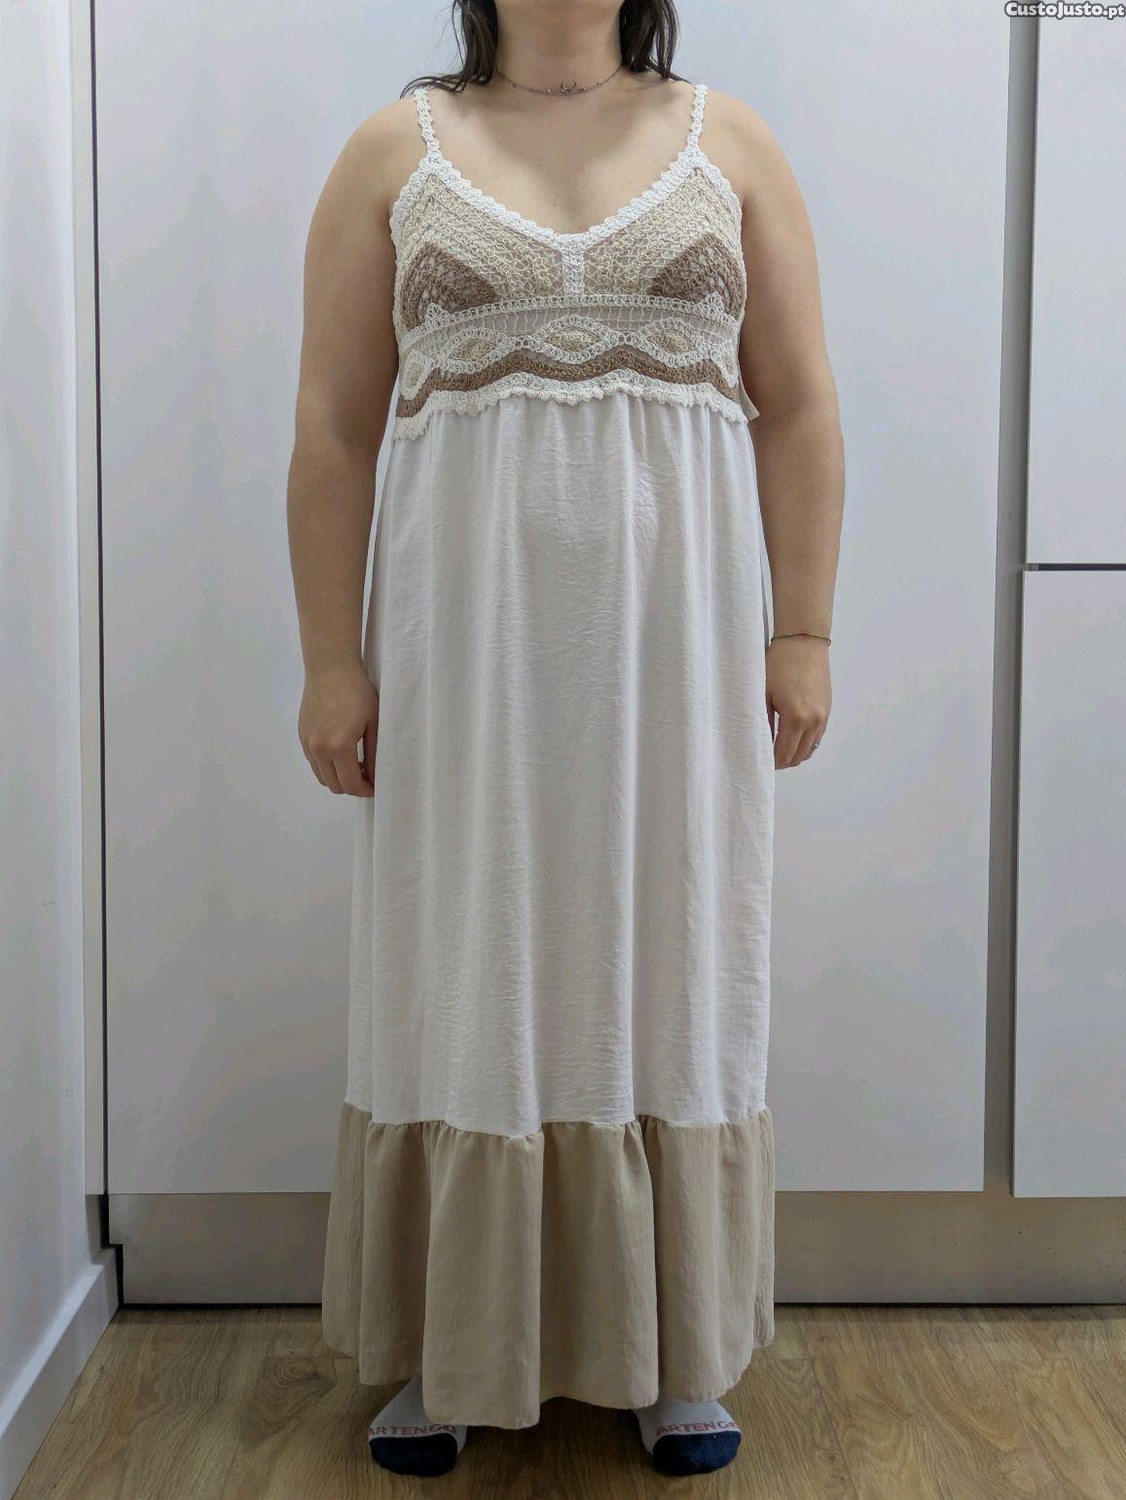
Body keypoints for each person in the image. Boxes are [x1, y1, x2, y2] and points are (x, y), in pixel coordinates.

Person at [288, 0, 843, 1479]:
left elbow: (798, 405)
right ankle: (456, 1346)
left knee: (672, 955)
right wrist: (330, 660)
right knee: (464, 959)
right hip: (462, 671)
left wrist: (803, 629)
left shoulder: (730, 145)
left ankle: (674, 1348)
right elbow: (332, 428)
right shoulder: (390, 154)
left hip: (679, 668)